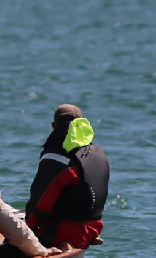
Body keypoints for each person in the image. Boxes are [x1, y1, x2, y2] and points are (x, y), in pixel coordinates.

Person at [23, 104, 110, 250]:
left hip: (63, 233)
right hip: (92, 230)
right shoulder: (98, 154)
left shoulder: (56, 157)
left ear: (53, 126)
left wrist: (25, 227)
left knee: (9, 247)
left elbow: (41, 202)